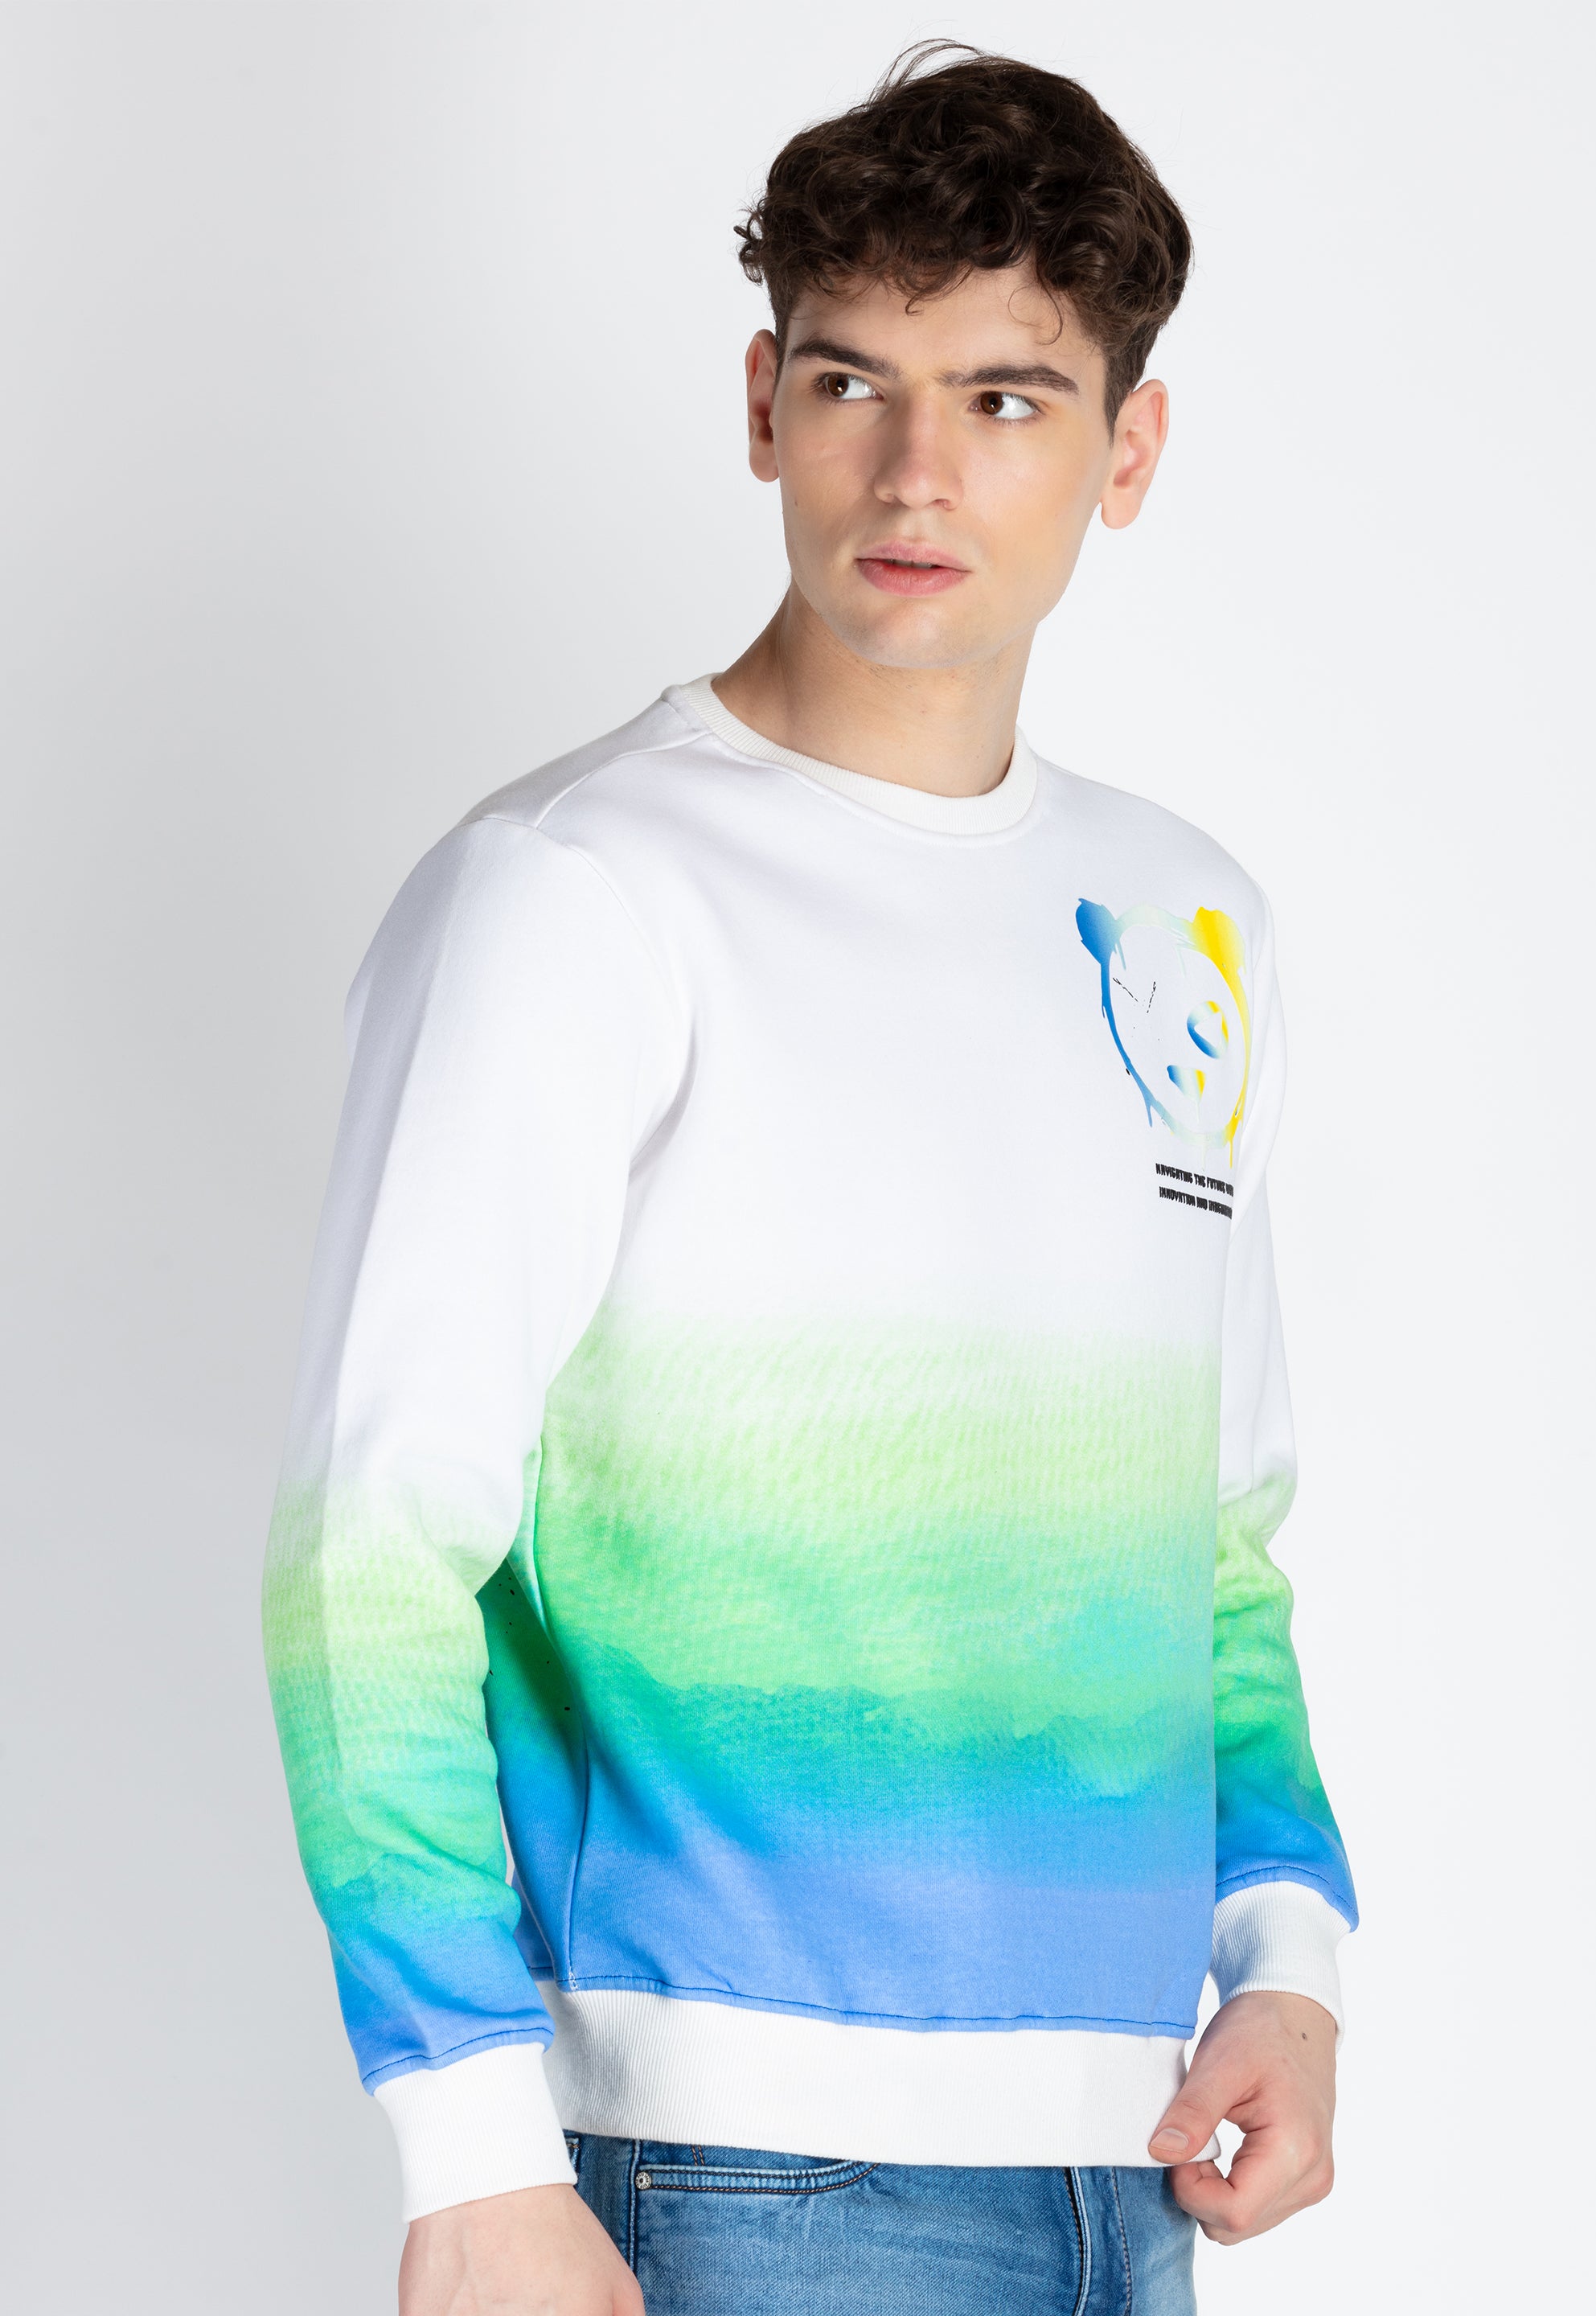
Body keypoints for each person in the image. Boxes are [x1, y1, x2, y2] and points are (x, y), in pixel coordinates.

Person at [264, 44, 1356, 2316]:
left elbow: (1211, 1544)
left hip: (1130, 2167)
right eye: (856, 381)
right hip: (733, 2181)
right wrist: (473, 2153)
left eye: (1008, 399)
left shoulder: (1187, 922)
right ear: (765, 404)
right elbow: (371, 1552)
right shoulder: (575, 894)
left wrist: (1287, 1959)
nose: (917, 472)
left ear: (1131, 447)